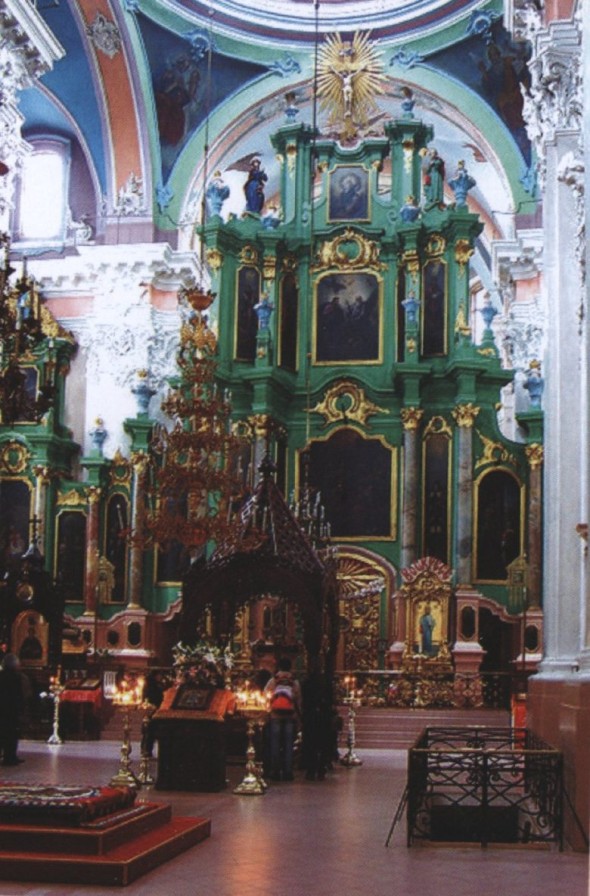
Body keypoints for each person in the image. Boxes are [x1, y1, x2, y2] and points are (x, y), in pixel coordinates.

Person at [264, 657, 301, 781]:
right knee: (288, 744)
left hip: (275, 715)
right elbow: (298, 699)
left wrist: (269, 709)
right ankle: (288, 772)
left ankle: (275, 771)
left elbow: (266, 696)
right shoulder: (294, 682)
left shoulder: (273, 681)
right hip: (290, 715)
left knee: (275, 743)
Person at [0, 653, 26, 765]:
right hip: (11, 710)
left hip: (2, 709)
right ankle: (10, 757)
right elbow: (18, 694)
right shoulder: (16, 677)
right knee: (11, 734)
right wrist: (21, 708)